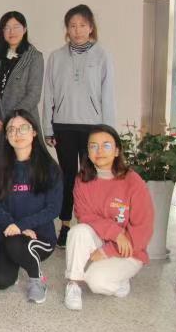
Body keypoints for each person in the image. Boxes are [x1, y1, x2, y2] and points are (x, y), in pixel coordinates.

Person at [44, 4, 116, 248]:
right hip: (63, 125)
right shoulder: (56, 57)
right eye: (72, 26)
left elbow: (108, 96)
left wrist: (108, 133)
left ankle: (89, 223)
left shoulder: (102, 56)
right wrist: (47, 127)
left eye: (82, 25)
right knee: (66, 176)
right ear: (67, 29)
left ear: (91, 27)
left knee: (89, 176)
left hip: (92, 128)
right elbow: (49, 94)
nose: (77, 30)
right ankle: (65, 225)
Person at [63, 125, 153, 311]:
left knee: (96, 283)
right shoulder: (82, 180)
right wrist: (116, 233)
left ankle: (121, 280)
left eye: (106, 145)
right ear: (87, 152)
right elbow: (85, 216)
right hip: (103, 239)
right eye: (93, 146)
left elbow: (143, 230)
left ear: (117, 150)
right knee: (78, 232)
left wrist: (108, 251)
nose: (99, 151)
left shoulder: (133, 181)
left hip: (129, 249)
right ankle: (73, 284)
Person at [0, 110, 61, 304]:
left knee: (15, 243)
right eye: (11, 129)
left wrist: (22, 226)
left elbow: (53, 208)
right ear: (6, 136)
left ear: (34, 132)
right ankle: (19, 257)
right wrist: (13, 226)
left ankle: (37, 280)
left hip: (39, 237)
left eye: (23, 128)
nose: (17, 133)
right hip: (8, 232)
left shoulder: (49, 167)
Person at [0, 11, 44, 163]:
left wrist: (12, 119)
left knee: (25, 168)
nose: (11, 32)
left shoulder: (34, 57)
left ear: (25, 29)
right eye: (7, 28)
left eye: (16, 27)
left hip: (23, 124)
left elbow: (34, 94)